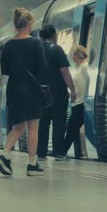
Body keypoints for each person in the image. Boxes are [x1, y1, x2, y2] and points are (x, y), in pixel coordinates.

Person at [0, 7, 48, 176]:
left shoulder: (8, 45)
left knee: (17, 127)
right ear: (28, 24)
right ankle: (32, 164)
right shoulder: (35, 43)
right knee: (33, 127)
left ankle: (5, 154)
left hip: (14, 88)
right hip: (31, 88)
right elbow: (42, 68)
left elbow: (5, 70)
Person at [37, 24, 76, 161]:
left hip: (42, 92)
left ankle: (41, 153)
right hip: (58, 92)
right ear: (54, 35)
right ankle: (58, 152)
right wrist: (72, 89)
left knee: (43, 122)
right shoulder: (57, 50)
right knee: (59, 122)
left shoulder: (38, 50)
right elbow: (64, 71)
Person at [60, 45, 89, 158]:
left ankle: (62, 152)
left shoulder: (84, 67)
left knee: (71, 128)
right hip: (76, 103)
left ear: (78, 55)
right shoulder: (77, 68)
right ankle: (77, 152)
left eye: (73, 54)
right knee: (73, 128)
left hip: (81, 103)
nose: (72, 56)